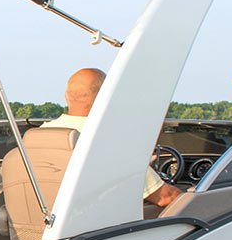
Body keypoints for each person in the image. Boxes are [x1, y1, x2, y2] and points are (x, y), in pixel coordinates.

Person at [40, 67, 181, 210]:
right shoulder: (107, 141)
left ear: (66, 96)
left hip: (44, 220)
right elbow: (166, 197)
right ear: (105, 96)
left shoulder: (41, 133)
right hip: (98, 221)